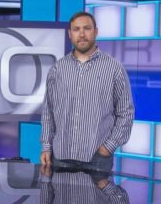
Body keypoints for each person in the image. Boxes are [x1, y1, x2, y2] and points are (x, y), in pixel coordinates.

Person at [40, 11, 134, 172]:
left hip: (97, 159)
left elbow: (126, 113)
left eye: (87, 28)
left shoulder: (114, 68)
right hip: (60, 157)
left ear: (95, 32)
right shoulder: (57, 69)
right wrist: (46, 147)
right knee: (61, 198)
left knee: (96, 199)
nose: (82, 34)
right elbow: (48, 111)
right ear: (70, 34)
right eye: (76, 29)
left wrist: (107, 148)